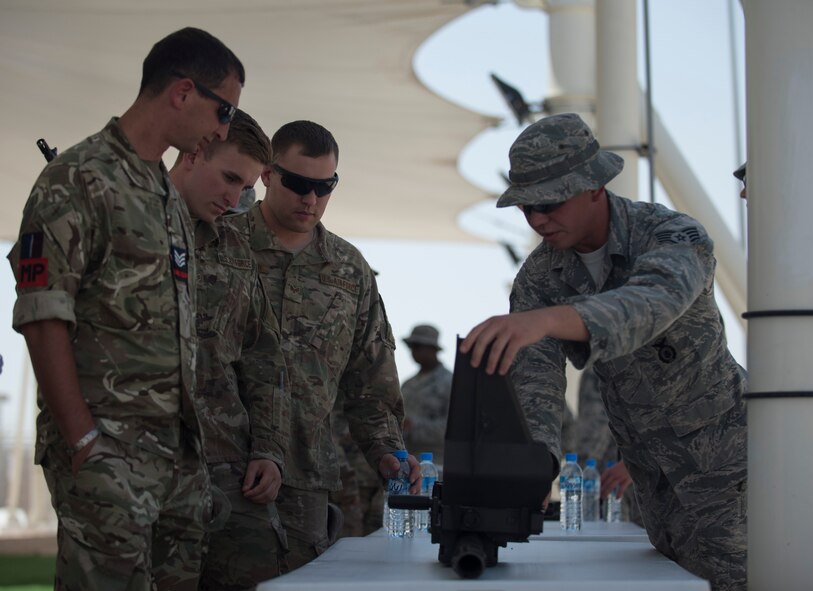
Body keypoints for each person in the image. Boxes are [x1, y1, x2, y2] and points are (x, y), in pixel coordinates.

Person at [461, 113, 747, 591]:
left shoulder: (673, 235)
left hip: (730, 479)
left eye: (549, 203)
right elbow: (536, 383)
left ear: (594, 185)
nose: (536, 220)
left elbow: (650, 304)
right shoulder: (540, 276)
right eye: (525, 208)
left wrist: (548, 320)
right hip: (653, 491)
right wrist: (536, 467)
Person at [7, 27, 244, 590]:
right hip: (109, 456)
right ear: (183, 92)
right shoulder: (78, 177)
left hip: (176, 462)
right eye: (225, 110)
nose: (222, 129)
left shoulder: (165, 194)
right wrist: (85, 441)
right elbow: (42, 314)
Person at [229, 120, 419, 571]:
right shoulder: (221, 246)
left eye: (324, 186)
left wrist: (387, 452)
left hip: (306, 482)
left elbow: (370, 382)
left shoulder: (349, 270)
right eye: (297, 184)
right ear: (268, 176)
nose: (310, 199)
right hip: (221, 471)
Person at [168, 109, 291, 589]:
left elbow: (263, 355)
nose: (236, 198)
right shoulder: (133, 225)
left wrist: (269, 450)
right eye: (230, 179)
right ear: (195, 153)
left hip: (230, 464)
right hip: (145, 459)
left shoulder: (233, 247)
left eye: (246, 188)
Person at [400, 324, 453, 463]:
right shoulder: (407, 384)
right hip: (407, 461)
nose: (413, 352)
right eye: (411, 347)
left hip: (436, 465)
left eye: (418, 346)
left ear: (432, 349)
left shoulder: (450, 383)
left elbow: (454, 429)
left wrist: (413, 427)